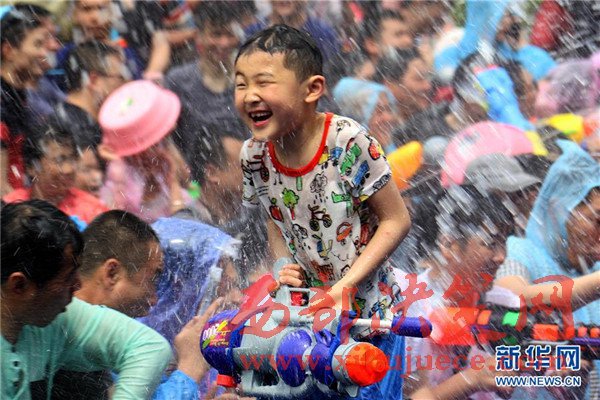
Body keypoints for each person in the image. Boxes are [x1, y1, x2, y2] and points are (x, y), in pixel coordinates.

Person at [235, 25, 411, 399]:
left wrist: (346, 286)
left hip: (369, 318)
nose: (250, 95)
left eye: (264, 83)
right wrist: (281, 265)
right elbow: (275, 216)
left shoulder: (348, 142)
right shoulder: (253, 155)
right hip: (305, 320)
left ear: (312, 89)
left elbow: (397, 219)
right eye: (240, 84)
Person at [1, 200, 172, 399]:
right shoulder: (44, 318)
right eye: (67, 278)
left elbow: (150, 348)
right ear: (19, 286)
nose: (78, 285)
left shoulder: (48, 321)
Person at [52, 210, 222, 399]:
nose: (154, 300)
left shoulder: (97, 343)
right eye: (152, 280)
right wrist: (189, 370)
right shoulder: (62, 334)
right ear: (112, 273)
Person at [495, 140, 600, 399]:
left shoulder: (594, 267)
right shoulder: (521, 252)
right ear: (562, 212)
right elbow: (511, 300)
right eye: (597, 220)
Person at [395, 185, 517, 399]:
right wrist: (471, 380)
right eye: (490, 243)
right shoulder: (409, 303)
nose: (501, 257)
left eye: (504, 243)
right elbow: (407, 396)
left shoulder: (503, 304)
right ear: (448, 244)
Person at [174, 125, 270, 275]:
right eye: (244, 164)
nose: (253, 171)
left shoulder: (258, 209)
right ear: (212, 173)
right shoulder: (190, 228)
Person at [99, 80, 190, 222]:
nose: (160, 147)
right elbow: (181, 224)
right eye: (157, 142)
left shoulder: (169, 160)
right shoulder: (119, 175)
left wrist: (174, 182)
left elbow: (194, 191)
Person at [164, 1, 242, 166]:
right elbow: (167, 137)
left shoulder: (248, 78)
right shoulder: (178, 81)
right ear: (199, 36)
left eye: (230, 35)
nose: (224, 43)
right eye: (216, 34)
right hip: (197, 178)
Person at [3, 122, 108, 224]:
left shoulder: (93, 211)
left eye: (72, 159)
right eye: (60, 160)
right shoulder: (9, 208)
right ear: (32, 167)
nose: (69, 169)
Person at [1, 5, 50, 195]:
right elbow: (1, 188)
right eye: (37, 45)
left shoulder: (18, 94)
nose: (44, 53)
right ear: (9, 50)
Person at [332, 77, 398, 152]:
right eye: (378, 111)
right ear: (358, 117)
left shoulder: (398, 142)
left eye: (389, 109)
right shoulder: (343, 154)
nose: (389, 118)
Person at [378, 48, 434, 124]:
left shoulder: (435, 116)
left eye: (428, 77)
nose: (428, 86)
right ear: (390, 86)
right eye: (419, 79)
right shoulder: (378, 125)